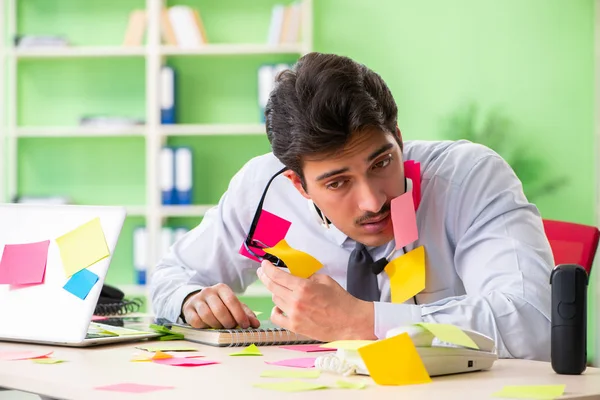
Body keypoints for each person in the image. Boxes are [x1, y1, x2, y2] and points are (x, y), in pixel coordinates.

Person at [150, 52, 553, 361]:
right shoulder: (266, 192)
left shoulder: (468, 180)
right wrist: (191, 300)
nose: (373, 200)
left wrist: (363, 321)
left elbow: (536, 324)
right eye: (337, 182)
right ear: (299, 185)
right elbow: (171, 278)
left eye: (381, 163)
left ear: (397, 137)